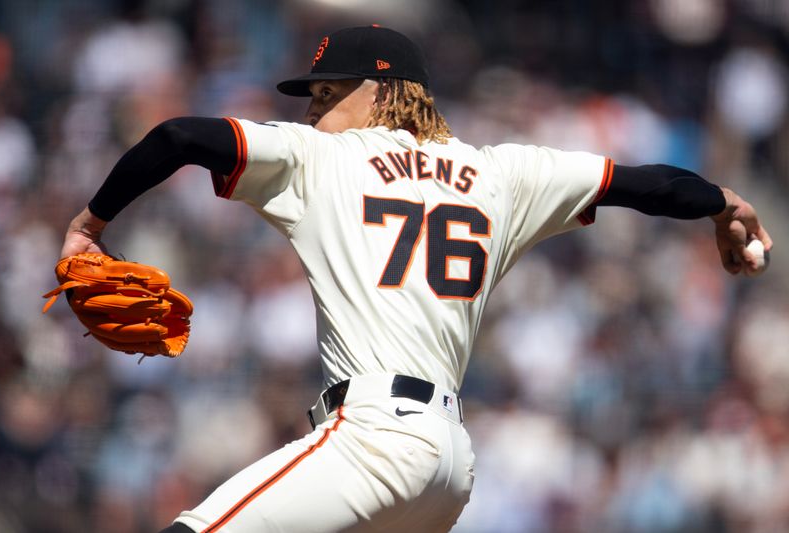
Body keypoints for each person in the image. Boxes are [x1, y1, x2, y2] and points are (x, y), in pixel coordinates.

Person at [58, 25, 772, 533]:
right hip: (448, 468)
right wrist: (723, 204)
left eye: (327, 92)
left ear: (382, 90)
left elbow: (180, 136)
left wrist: (88, 225)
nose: (311, 108)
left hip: (372, 437)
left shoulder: (318, 159)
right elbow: (642, 183)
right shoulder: (503, 171)